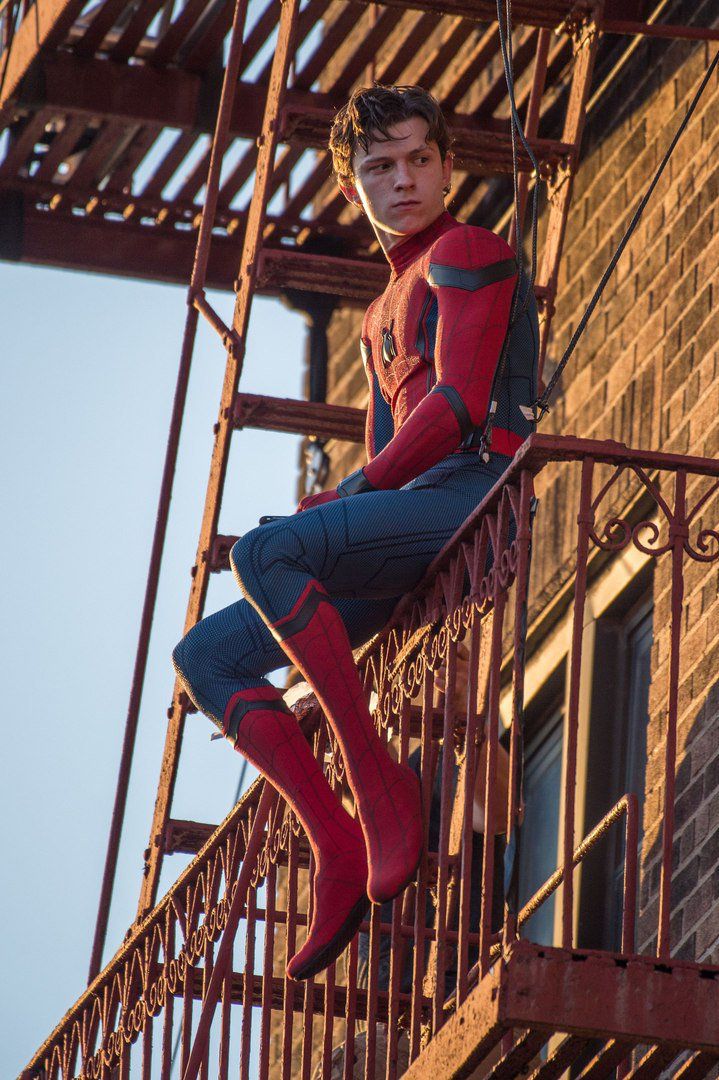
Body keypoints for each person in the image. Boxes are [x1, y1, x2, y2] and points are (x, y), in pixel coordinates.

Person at [171, 83, 538, 982]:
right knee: (206, 659)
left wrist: (345, 495)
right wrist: (344, 512)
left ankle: (379, 789)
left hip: (477, 494)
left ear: (448, 166)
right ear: (353, 189)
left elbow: (452, 409)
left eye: (420, 159)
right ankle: (337, 836)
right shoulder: (380, 312)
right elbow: (386, 451)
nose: (404, 179)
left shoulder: (468, 249)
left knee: (263, 550)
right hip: (412, 522)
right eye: (381, 167)